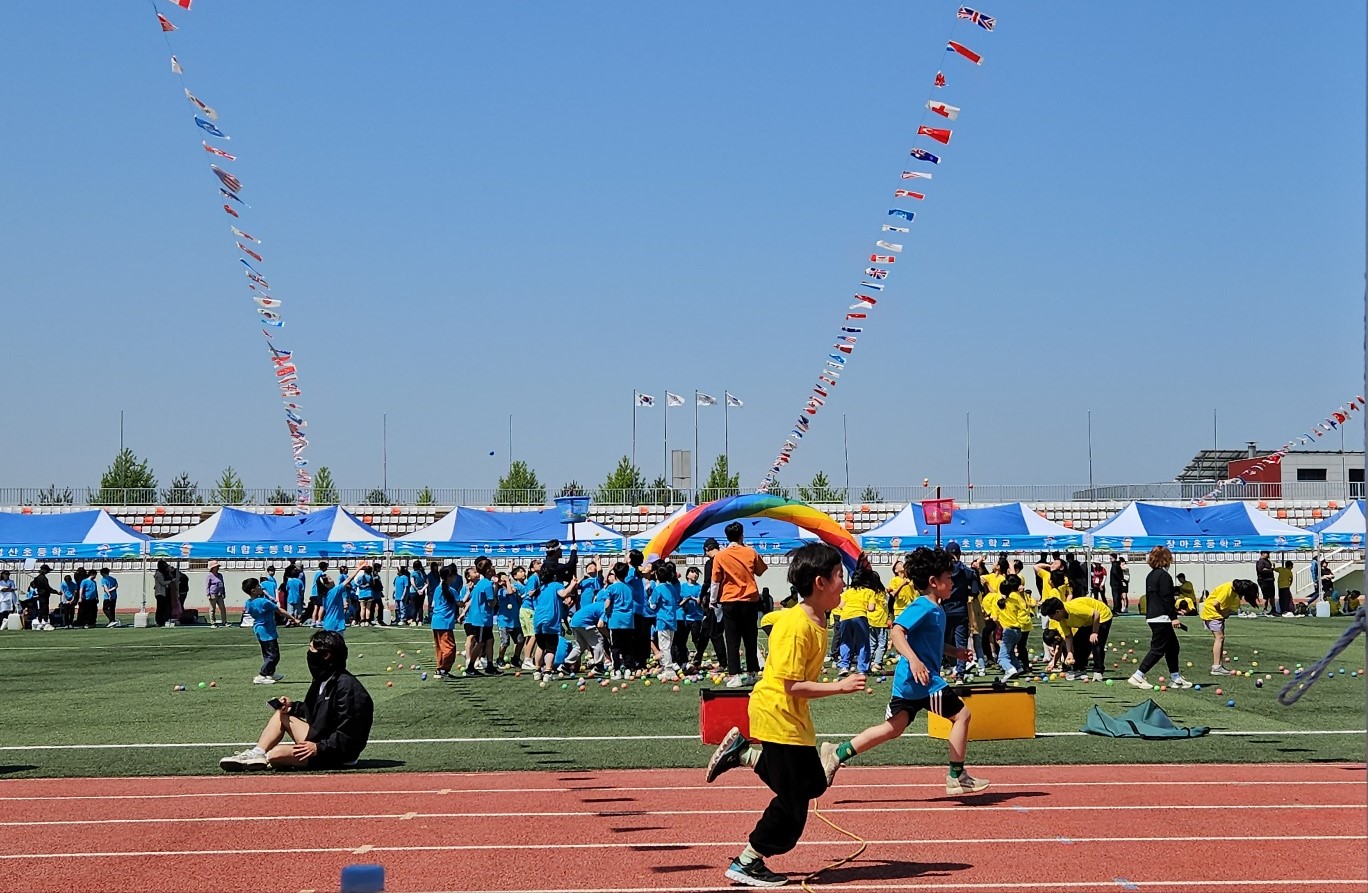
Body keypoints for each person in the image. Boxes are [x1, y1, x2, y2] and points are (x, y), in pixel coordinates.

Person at [703, 543, 867, 888]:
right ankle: (747, 861)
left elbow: (773, 622)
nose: (844, 583)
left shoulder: (817, 617)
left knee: (812, 785)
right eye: (839, 576)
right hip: (777, 713)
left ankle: (744, 753)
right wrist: (840, 687)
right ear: (820, 582)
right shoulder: (797, 626)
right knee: (793, 804)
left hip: (792, 717)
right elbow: (792, 685)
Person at [822, 545, 988, 797]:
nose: (952, 581)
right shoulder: (924, 606)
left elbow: (930, 642)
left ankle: (836, 752)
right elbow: (897, 631)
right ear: (933, 582)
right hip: (921, 679)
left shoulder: (936, 609)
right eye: (947, 578)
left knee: (893, 728)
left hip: (912, 682)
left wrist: (954, 652)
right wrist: (913, 660)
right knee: (962, 715)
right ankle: (956, 776)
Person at [219, 630, 373, 771]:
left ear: (325, 655)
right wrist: (292, 707)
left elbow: (349, 734)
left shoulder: (348, 689)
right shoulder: (323, 679)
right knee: (282, 715)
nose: (309, 654)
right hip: (321, 740)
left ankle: (265, 759)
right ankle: (256, 753)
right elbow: (314, 711)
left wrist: (318, 747)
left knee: (276, 754)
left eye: (311, 650)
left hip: (339, 754)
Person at [1128, 546, 1193, 690]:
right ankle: (1138, 675)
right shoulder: (1164, 576)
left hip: (1153, 616)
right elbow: (1166, 598)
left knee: (1172, 647)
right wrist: (1173, 617)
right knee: (1158, 649)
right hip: (1161, 617)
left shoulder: (1151, 575)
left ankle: (1175, 677)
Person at [713, 521, 768, 687]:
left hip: (729, 600)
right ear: (741, 535)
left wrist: (713, 601)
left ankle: (735, 674)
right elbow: (760, 570)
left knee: (732, 639)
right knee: (750, 638)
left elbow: (716, 581)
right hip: (749, 600)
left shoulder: (720, 556)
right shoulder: (750, 552)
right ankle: (752, 673)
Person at [1039, 594, 1113, 681]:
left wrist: (1094, 632)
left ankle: (1098, 671)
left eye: (1051, 616)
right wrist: (1070, 652)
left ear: (1058, 612)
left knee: (1096, 643)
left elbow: (1096, 614)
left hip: (1102, 616)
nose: (1051, 619)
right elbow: (1068, 636)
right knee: (1077, 642)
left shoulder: (1074, 610)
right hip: (1087, 621)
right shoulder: (1062, 619)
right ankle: (1079, 670)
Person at [242, 577, 299, 684]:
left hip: (259, 629)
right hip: (267, 630)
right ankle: (262, 675)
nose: (261, 587)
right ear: (253, 591)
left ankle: (270, 674)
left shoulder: (248, 602)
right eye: (258, 586)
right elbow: (279, 610)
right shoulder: (263, 602)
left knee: (267, 653)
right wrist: (294, 619)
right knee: (274, 655)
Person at [1202, 579, 1257, 676]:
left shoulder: (1233, 590)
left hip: (1216, 614)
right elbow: (1215, 604)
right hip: (1212, 613)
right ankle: (1216, 667)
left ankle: (1219, 665)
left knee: (1221, 638)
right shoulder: (1227, 589)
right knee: (1219, 638)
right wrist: (1222, 613)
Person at [942, 542, 978, 677]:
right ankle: (960, 673)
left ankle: (940, 667)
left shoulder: (942, 571)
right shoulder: (968, 572)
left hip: (943, 609)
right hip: (960, 610)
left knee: (940, 640)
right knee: (960, 642)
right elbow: (975, 591)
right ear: (960, 554)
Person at [461, 557, 500, 677]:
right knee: (480, 643)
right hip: (482, 619)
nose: (493, 568)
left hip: (482, 618)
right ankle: (471, 667)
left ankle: (489, 665)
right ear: (488, 570)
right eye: (491, 566)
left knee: (489, 641)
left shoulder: (481, 583)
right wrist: (496, 591)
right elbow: (491, 602)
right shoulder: (487, 584)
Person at [692, 538, 726, 672]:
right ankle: (698, 657)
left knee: (715, 633)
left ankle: (723, 663)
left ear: (706, 550)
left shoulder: (711, 562)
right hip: (728, 598)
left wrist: (701, 597)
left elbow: (708, 582)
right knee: (705, 630)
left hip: (715, 602)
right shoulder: (726, 558)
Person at [994, 573, 1033, 682]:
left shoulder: (999, 602)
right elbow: (1024, 610)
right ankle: (1019, 668)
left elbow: (994, 617)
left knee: (1002, 657)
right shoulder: (1015, 599)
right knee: (1010, 651)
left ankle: (1010, 669)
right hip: (1018, 630)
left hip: (1008, 631)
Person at [649, 561, 681, 681]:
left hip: (662, 620)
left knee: (664, 647)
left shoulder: (658, 589)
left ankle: (668, 669)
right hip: (672, 620)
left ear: (657, 576)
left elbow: (652, 605)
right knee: (669, 645)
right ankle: (667, 667)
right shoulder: (672, 587)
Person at [431, 565, 459, 677]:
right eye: (453, 575)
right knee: (450, 648)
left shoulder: (438, 589)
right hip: (445, 622)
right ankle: (443, 669)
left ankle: (440, 669)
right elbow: (460, 603)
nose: (455, 578)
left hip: (436, 621)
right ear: (449, 577)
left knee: (440, 647)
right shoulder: (451, 590)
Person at [205, 560, 228, 628]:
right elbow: (207, 586)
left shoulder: (220, 575)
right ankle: (213, 622)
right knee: (212, 609)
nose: (217, 568)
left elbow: (222, 584)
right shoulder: (209, 576)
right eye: (216, 567)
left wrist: (223, 592)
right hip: (213, 594)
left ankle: (224, 622)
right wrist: (208, 594)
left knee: (222, 608)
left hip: (220, 594)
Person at [1255, 550, 1276, 616]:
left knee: (1272, 596)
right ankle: (1264, 609)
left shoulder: (1268, 561)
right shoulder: (1261, 561)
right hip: (1264, 581)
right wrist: (1270, 569)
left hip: (1270, 581)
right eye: (1267, 553)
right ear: (1263, 554)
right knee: (1266, 596)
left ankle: (1273, 609)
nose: (1268, 555)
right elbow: (1261, 570)